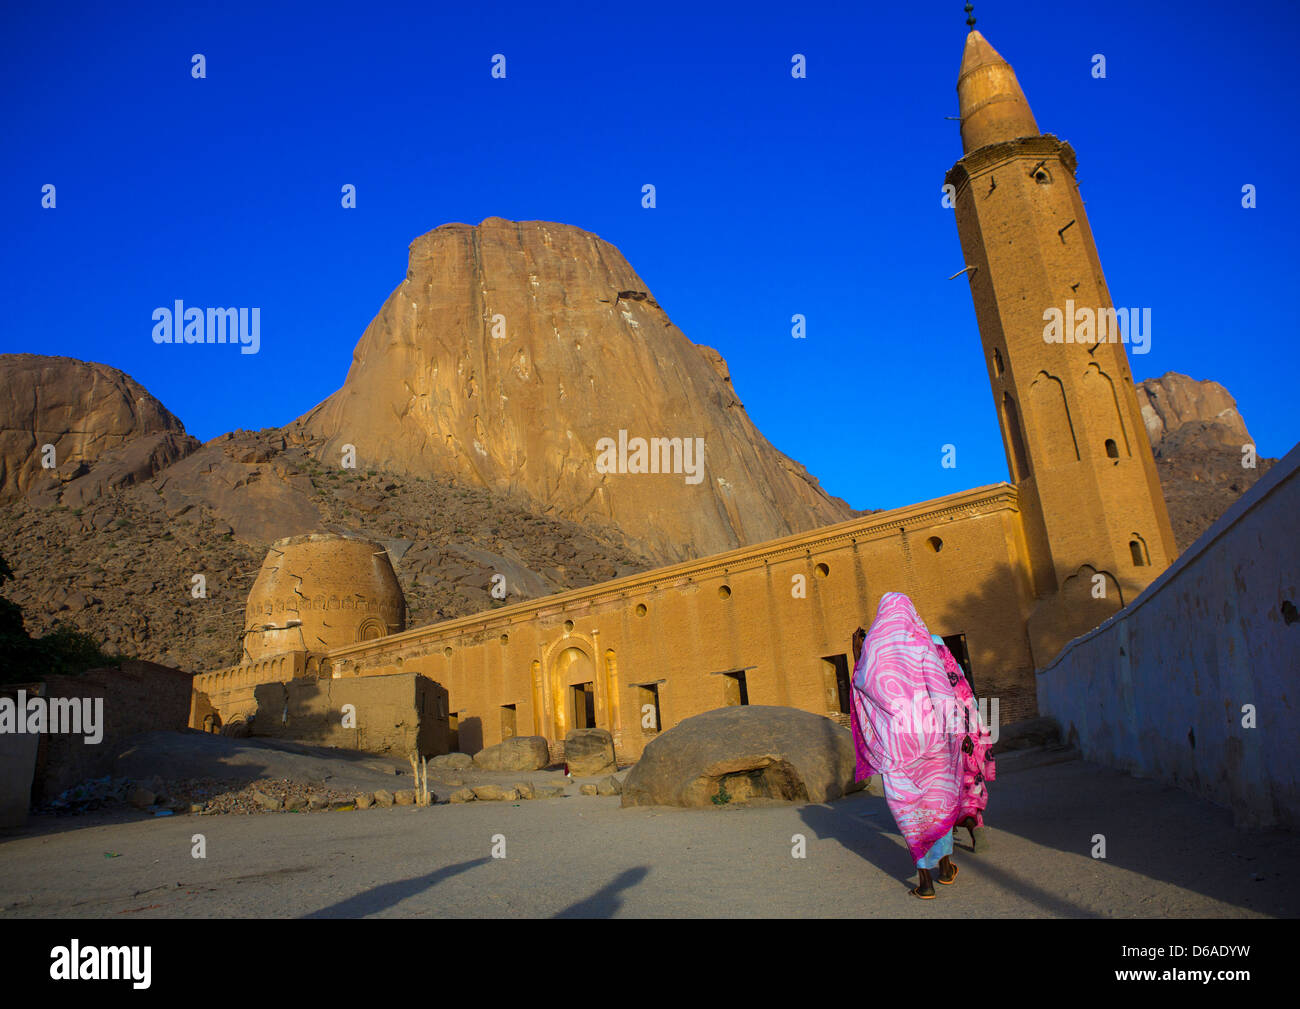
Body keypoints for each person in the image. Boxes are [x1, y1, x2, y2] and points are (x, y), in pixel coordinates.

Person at [850, 593, 963, 899]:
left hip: (895, 744)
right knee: (936, 799)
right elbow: (940, 690)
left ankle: (925, 882)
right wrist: (954, 729)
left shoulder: (872, 649)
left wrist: (858, 654)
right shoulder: (919, 641)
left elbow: (861, 684)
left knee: (910, 808)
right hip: (931, 738)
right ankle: (946, 866)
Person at [930, 634, 995, 852]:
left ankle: (952, 827)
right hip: (969, 734)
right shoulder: (956, 673)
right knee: (970, 781)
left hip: (944, 739)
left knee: (945, 786)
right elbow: (972, 704)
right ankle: (976, 827)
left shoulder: (927, 675)